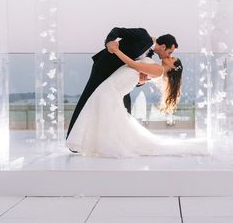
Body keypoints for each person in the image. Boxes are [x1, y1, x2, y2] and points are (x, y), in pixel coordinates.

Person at [66, 47, 205, 157]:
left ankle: (101, 145)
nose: (169, 56)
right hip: (113, 87)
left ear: (174, 67)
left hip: (113, 88)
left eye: (172, 58)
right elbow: (136, 74)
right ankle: (98, 144)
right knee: (108, 117)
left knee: (106, 116)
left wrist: (116, 51)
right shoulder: (157, 69)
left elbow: (132, 64)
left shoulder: (158, 70)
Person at [66, 27, 178, 140]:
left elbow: (136, 74)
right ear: (163, 46)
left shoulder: (149, 56)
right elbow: (117, 30)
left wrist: (141, 82)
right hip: (104, 68)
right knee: (88, 97)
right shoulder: (142, 34)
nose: (168, 55)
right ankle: (73, 137)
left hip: (119, 80)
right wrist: (109, 42)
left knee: (125, 108)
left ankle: (121, 139)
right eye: (169, 52)